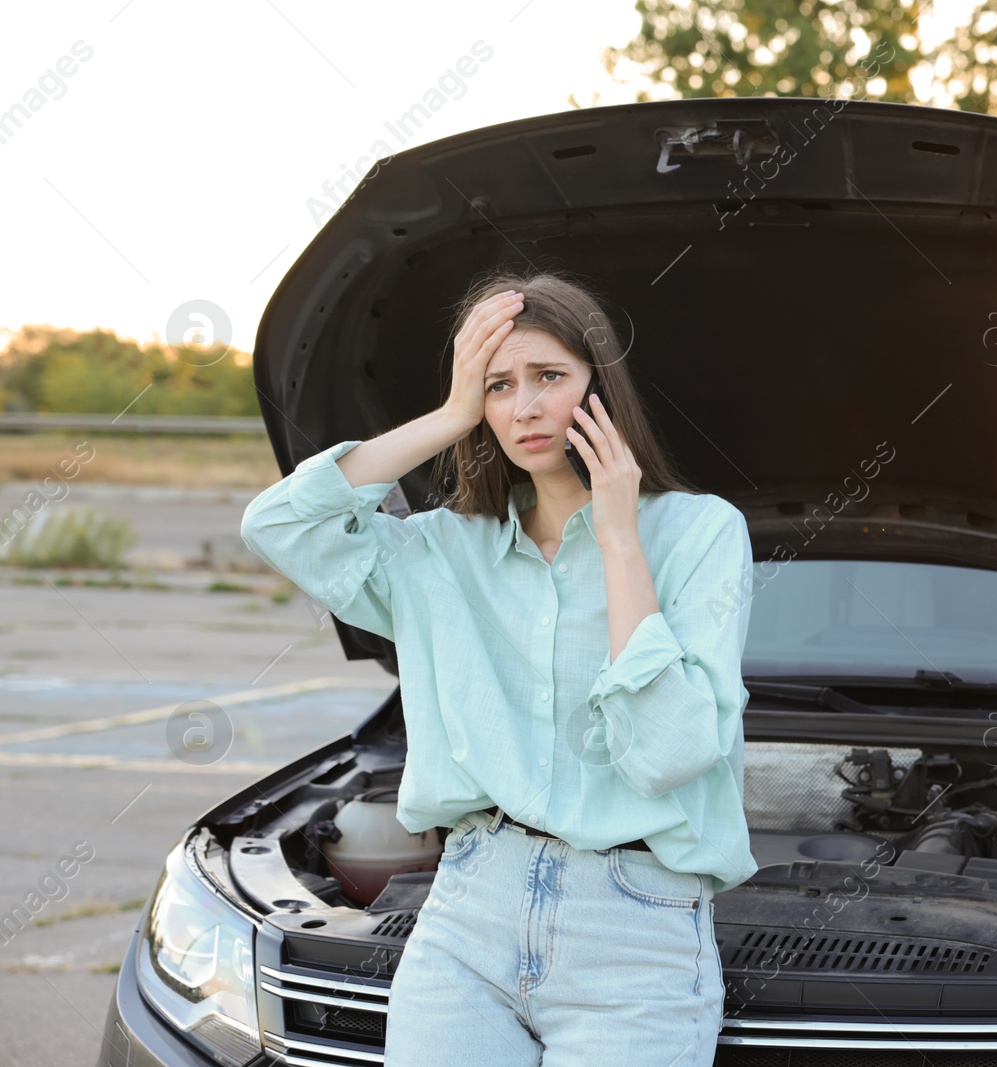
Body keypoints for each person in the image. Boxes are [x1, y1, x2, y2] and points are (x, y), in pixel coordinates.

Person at [239, 270, 759, 1065]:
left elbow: (668, 752)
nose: (525, 407)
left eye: (550, 376)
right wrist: (449, 414)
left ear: (600, 385)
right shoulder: (441, 549)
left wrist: (620, 540)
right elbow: (279, 523)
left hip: (636, 933)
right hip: (468, 913)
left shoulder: (699, 534)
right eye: (498, 385)